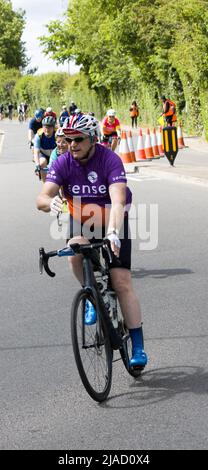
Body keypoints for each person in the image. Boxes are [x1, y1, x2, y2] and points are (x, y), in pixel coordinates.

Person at [36, 114, 148, 368]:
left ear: (93, 139)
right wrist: (49, 202)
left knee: (121, 282)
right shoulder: (64, 162)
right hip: (82, 219)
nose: (72, 144)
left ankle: (138, 345)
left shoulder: (109, 159)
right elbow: (41, 196)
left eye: (79, 139)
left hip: (112, 218)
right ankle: (91, 296)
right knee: (74, 250)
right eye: (68, 139)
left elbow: (118, 201)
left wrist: (112, 233)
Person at [33, 115, 56, 182]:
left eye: (49, 127)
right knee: (42, 163)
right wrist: (37, 165)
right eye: (45, 127)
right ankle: (45, 184)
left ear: (53, 128)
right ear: (42, 127)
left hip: (55, 154)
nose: (47, 129)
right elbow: (36, 151)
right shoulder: (39, 135)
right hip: (43, 155)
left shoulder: (57, 134)